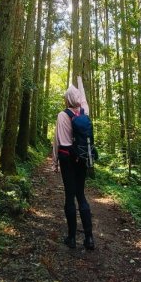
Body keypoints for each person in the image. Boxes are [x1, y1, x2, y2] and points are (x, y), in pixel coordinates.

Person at [52, 76, 94, 250]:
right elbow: (82, 98)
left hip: (67, 158)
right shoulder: (85, 110)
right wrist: (80, 82)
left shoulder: (62, 115)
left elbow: (58, 140)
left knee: (70, 196)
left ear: (67, 99)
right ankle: (89, 238)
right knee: (81, 195)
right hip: (82, 157)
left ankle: (71, 238)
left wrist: (54, 161)